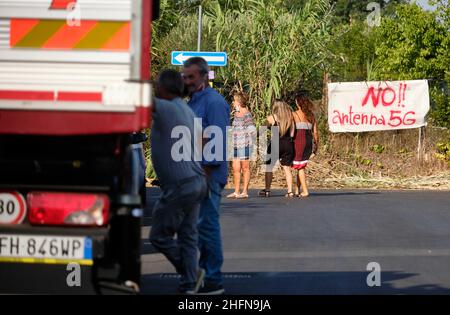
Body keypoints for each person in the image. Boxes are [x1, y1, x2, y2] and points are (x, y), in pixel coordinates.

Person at [149, 69, 207, 294]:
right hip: (195, 180)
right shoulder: (186, 110)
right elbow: (203, 137)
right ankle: (189, 285)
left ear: (163, 88)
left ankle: (189, 273)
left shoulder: (166, 107)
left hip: (180, 185)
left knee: (159, 236)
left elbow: (140, 98)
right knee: (188, 237)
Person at [183, 57, 230, 295]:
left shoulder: (213, 102)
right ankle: (203, 275)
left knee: (208, 226)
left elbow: (217, 143)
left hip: (208, 177)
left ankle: (213, 279)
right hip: (196, 176)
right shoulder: (193, 101)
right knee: (199, 228)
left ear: (203, 76)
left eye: (191, 77)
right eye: (184, 77)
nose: (187, 81)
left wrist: (204, 177)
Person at [258, 100, 295, 198]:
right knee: (287, 168)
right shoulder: (290, 117)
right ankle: (290, 191)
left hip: (275, 143)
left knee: (269, 167)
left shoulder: (272, 118)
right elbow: (292, 133)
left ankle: (267, 190)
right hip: (288, 144)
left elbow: (262, 129)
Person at [227, 92, 256, 199]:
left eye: (234, 100)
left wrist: (244, 135)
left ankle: (245, 191)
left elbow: (252, 129)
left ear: (239, 102)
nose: (233, 102)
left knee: (245, 168)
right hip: (235, 145)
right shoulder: (235, 113)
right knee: (235, 168)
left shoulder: (246, 114)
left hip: (244, 145)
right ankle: (236, 191)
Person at [291, 93, 319, 197]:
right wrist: (316, 147)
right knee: (300, 165)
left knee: (300, 167)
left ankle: (305, 190)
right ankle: (297, 189)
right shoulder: (311, 115)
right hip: (308, 142)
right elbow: (315, 133)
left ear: (298, 103)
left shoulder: (294, 114)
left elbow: (291, 130)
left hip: (298, 142)